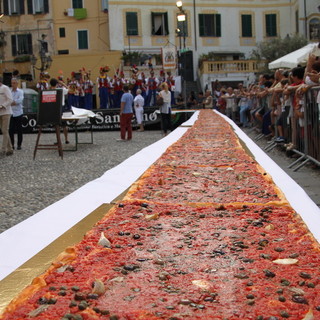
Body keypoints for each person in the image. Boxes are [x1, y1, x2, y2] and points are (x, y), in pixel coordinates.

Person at [50, 78, 70, 144]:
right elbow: (68, 89)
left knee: (57, 125)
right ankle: (66, 139)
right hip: (61, 107)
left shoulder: (49, 91)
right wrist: (62, 83)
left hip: (54, 108)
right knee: (64, 125)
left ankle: (58, 140)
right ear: (57, 84)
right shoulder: (61, 90)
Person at [0, 76, 14, 156]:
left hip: (6, 112)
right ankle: (10, 149)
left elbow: (10, 99)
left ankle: (3, 149)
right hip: (0, 113)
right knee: (3, 130)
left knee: (5, 130)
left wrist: (2, 106)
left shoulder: (5, 88)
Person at [9, 78, 24, 150]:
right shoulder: (9, 91)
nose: (13, 84)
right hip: (11, 112)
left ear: (17, 84)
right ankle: (12, 144)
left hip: (18, 112)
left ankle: (19, 144)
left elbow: (19, 101)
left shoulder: (20, 91)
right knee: (11, 130)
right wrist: (12, 102)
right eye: (12, 83)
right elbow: (8, 100)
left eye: (14, 83)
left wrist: (13, 102)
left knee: (19, 130)